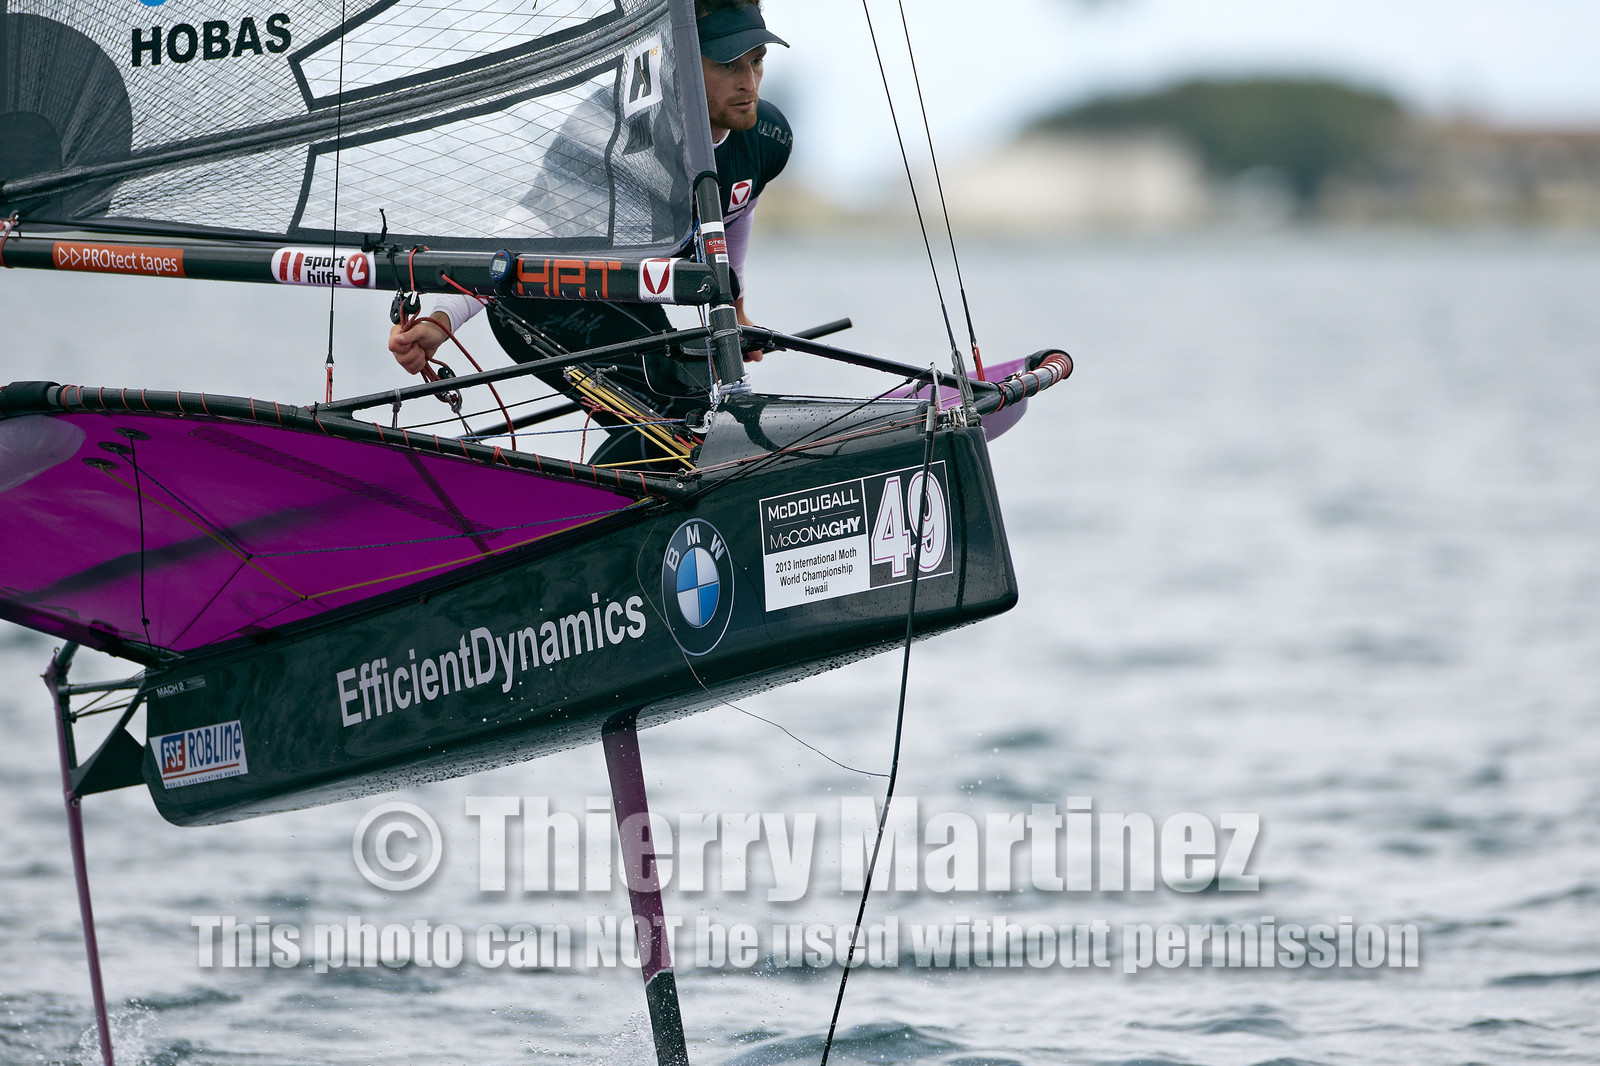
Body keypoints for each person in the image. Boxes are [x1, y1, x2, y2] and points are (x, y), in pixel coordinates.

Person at [388, 0, 793, 461]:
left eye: (756, 61)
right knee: (680, 423)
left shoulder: (768, 137)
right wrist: (443, 319)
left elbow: (734, 214)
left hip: (625, 295)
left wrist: (736, 313)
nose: (749, 83)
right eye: (727, 65)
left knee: (692, 415)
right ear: (678, 62)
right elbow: (528, 226)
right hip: (542, 302)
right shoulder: (616, 129)